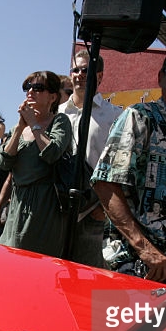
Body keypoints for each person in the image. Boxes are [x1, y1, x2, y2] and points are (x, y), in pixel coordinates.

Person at [92, 50, 166, 287]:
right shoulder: (139, 118)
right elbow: (105, 183)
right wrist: (147, 251)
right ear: (160, 78)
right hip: (138, 268)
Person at [0, 71, 73, 257]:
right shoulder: (19, 127)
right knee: (8, 256)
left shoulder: (59, 121)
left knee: (34, 262)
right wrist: (20, 128)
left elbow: (52, 152)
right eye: (27, 88)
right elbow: (4, 162)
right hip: (17, 204)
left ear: (53, 97)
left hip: (44, 206)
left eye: (38, 88)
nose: (30, 92)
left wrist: (34, 124)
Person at [60, 49, 123, 268]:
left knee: (86, 278)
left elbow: (120, 166)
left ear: (100, 75)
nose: (79, 75)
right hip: (57, 210)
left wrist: (103, 210)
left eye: (86, 70)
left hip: (92, 212)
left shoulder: (114, 115)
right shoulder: (57, 113)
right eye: (75, 70)